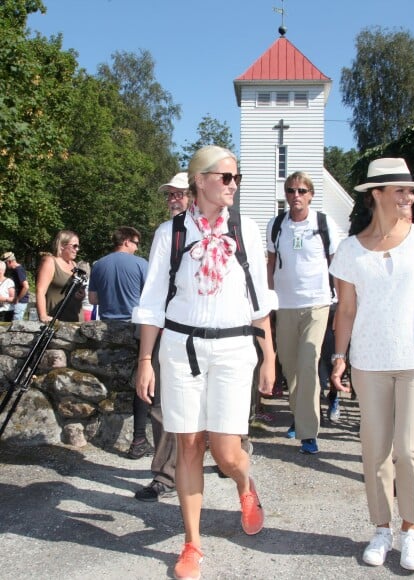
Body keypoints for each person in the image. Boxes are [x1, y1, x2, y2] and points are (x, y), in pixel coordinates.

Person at [133, 146, 276, 580]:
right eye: (226, 177)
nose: (233, 184)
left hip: (235, 349)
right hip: (181, 348)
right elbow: (154, 301)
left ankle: (244, 485)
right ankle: (192, 543)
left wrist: (269, 355)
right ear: (200, 181)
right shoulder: (170, 234)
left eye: (236, 178)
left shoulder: (247, 231)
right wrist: (145, 359)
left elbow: (259, 301)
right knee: (189, 444)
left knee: (227, 451)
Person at [330, 158, 414, 573]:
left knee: (409, 449)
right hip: (369, 361)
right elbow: (346, 310)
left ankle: (410, 532)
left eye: (412, 191)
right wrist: (339, 356)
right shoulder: (350, 249)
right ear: (377, 195)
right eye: (402, 191)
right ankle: (381, 528)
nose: (411, 197)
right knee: (375, 451)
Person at [266, 171, 340, 454]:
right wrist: (269, 300)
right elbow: (270, 265)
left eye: (301, 191)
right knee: (290, 366)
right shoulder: (276, 225)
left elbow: (337, 263)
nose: (295, 196)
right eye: (291, 190)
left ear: (310, 194)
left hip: (317, 302)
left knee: (309, 363)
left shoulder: (323, 223)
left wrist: (342, 302)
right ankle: (299, 416)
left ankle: (309, 432)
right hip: (285, 304)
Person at [135, 172, 190, 501]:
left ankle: (233, 454)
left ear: (194, 195)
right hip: (170, 328)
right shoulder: (165, 232)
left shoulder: (226, 227)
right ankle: (165, 476)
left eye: (178, 194)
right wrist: (146, 355)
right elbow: (152, 292)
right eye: (169, 195)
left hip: (211, 332)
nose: (172, 199)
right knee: (160, 405)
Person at [89, 226, 150, 459]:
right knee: (142, 381)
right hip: (134, 327)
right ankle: (139, 439)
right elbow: (150, 297)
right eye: (135, 242)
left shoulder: (99, 264)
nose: (136, 247)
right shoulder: (141, 265)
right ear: (125, 241)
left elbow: (93, 298)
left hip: (106, 328)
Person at [36, 230, 86, 323]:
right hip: (55, 319)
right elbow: (40, 291)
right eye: (74, 246)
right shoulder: (50, 262)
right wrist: (43, 315)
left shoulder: (74, 264)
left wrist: (81, 295)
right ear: (62, 245)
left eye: (78, 246)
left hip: (76, 319)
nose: (77, 249)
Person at [2, 252, 30, 320]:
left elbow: (26, 286)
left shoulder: (18, 270)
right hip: (18, 301)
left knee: (15, 323)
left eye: (5, 263)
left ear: (9, 262)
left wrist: (17, 299)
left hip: (20, 302)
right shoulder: (16, 270)